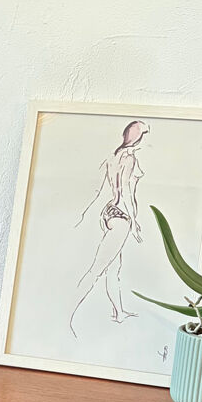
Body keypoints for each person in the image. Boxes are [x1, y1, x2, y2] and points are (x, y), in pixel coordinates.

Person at [69, 120, 149, 337]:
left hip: (109, 212)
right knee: (97, 269)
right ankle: (67, 312)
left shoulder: (114, 156)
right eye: (145, 135)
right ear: (138, 138)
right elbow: (127, 192)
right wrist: (134, 222)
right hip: (121, 216)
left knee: (114, 268)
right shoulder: (129, 159)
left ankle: (119, 312)